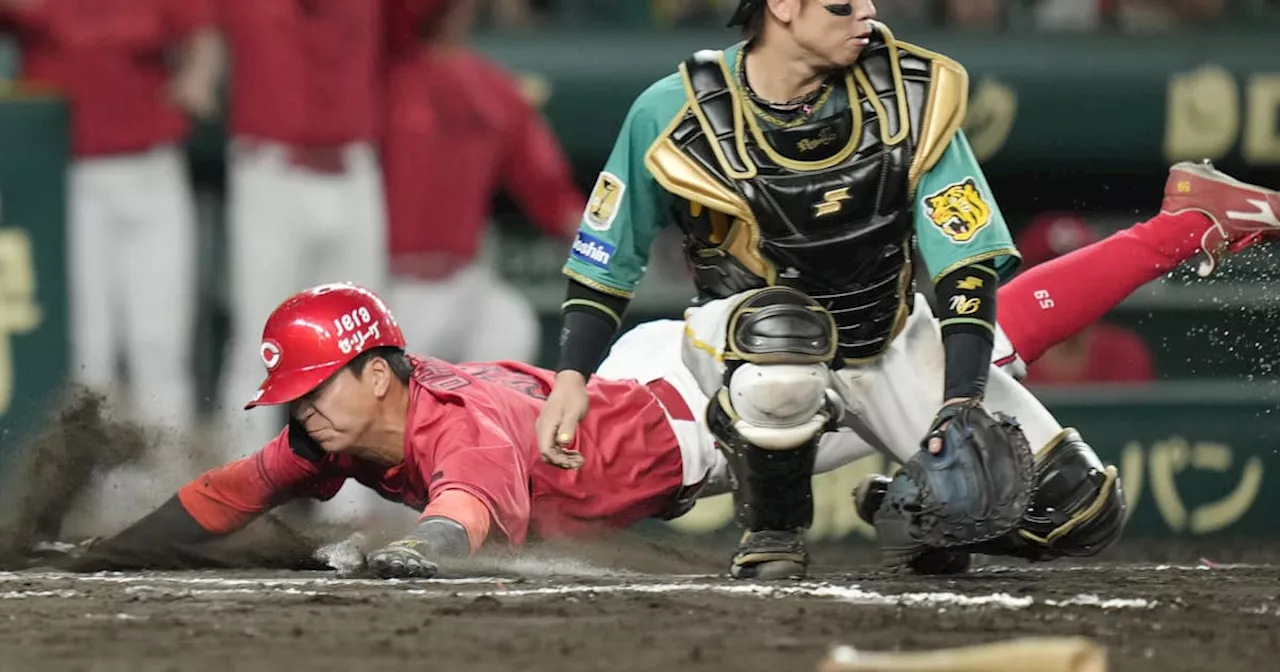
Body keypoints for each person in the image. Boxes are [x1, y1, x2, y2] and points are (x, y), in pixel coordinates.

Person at [61, 160, 1280, 576]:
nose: (304, 416)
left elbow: (460, 521)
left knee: (989, 375)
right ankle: (1187, 221)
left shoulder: (452, 425)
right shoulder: (344, 429)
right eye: (294, 399)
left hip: (721, 395)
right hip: (673, 396)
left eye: (316, 387)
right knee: (970, 362)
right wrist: (89, 554)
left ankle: (1188, 223)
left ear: (378, 370)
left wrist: (379, 553)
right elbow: (232, 492)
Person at [531, 0, 1280, 579]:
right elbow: (605, 260)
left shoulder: (910, 96)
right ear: (782, 7)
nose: (867, 15)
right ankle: (775, 530)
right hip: (732, 345)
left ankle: (907, 511)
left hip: (881, 336)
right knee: (783, 336)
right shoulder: (672, 111)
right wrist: (571, 376)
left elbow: (964, 264)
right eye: (841, 4)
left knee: (1078, 511)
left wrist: (960, 401)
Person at [382, 0, 582, 365]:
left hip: (464, 279)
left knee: (509, 324)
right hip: (390, 283)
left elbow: (549, 190)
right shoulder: (379, 77)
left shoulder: (492, 88)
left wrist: (599, 245)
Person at [1009, 214, 1155, 386]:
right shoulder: (1004, 357)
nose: (1064, 286)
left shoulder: (1123, 354)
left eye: (1077, 272)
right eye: (1048, 274)